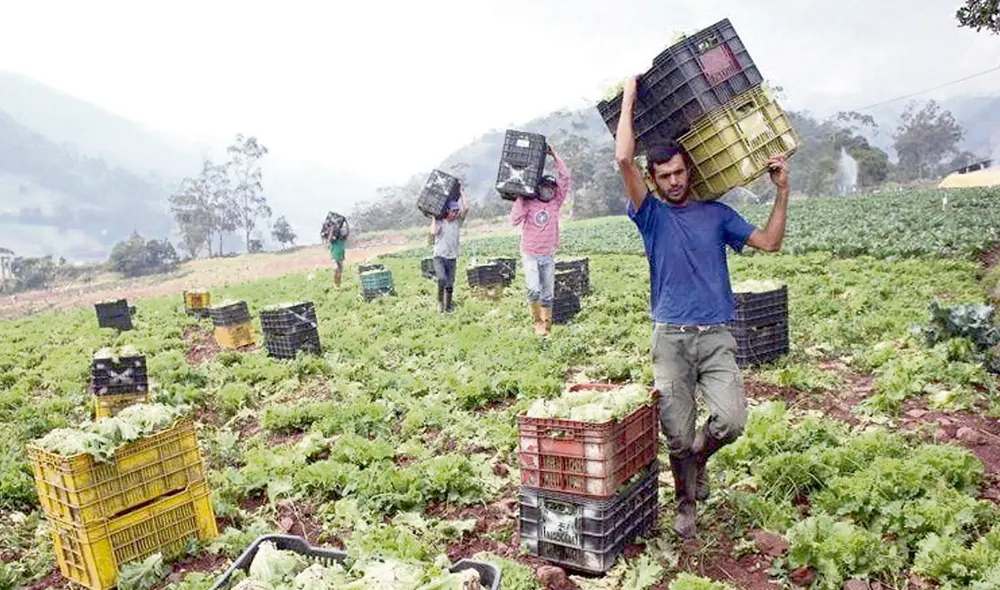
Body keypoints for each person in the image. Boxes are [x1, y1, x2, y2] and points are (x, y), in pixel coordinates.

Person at [615, 75, 790, 539]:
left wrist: (782, 190)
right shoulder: (650, 214)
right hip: (669, 337)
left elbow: (770, 243)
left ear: (689, 170)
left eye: (679, 172)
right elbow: (621, 158)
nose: (673, 182)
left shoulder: (717, 214)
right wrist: (630, 94)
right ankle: (685, 502)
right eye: (664, 176)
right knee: (674, 432)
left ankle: (698, 458)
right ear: (653, 179)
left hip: (715, 335)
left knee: (730, 421)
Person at [509, 144, 572, 336]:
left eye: (553, 188)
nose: (551, 191)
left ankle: (547, 326)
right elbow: (513, 220)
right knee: (533, 290)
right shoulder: (528, 203)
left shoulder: (555, 203)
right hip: (530, 254)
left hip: (548, 254)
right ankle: (537, 322)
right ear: (539, 188)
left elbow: (566, 178)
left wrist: (555, 156)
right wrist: (520, 198)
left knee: (547, 293)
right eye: (546, 187)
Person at [430, 186, 470, 313]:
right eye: (453, 211)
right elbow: (433, 232)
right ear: (447, 211)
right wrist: (433, 218)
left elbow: (467, 208)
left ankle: (448, 307)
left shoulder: (457, 222)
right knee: (442, 279)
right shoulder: (440, 222)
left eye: (457, 211)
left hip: (452, 257)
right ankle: (440, 302)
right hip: (439, 256)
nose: (456, 213)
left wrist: (462, 192)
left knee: (450, 284)